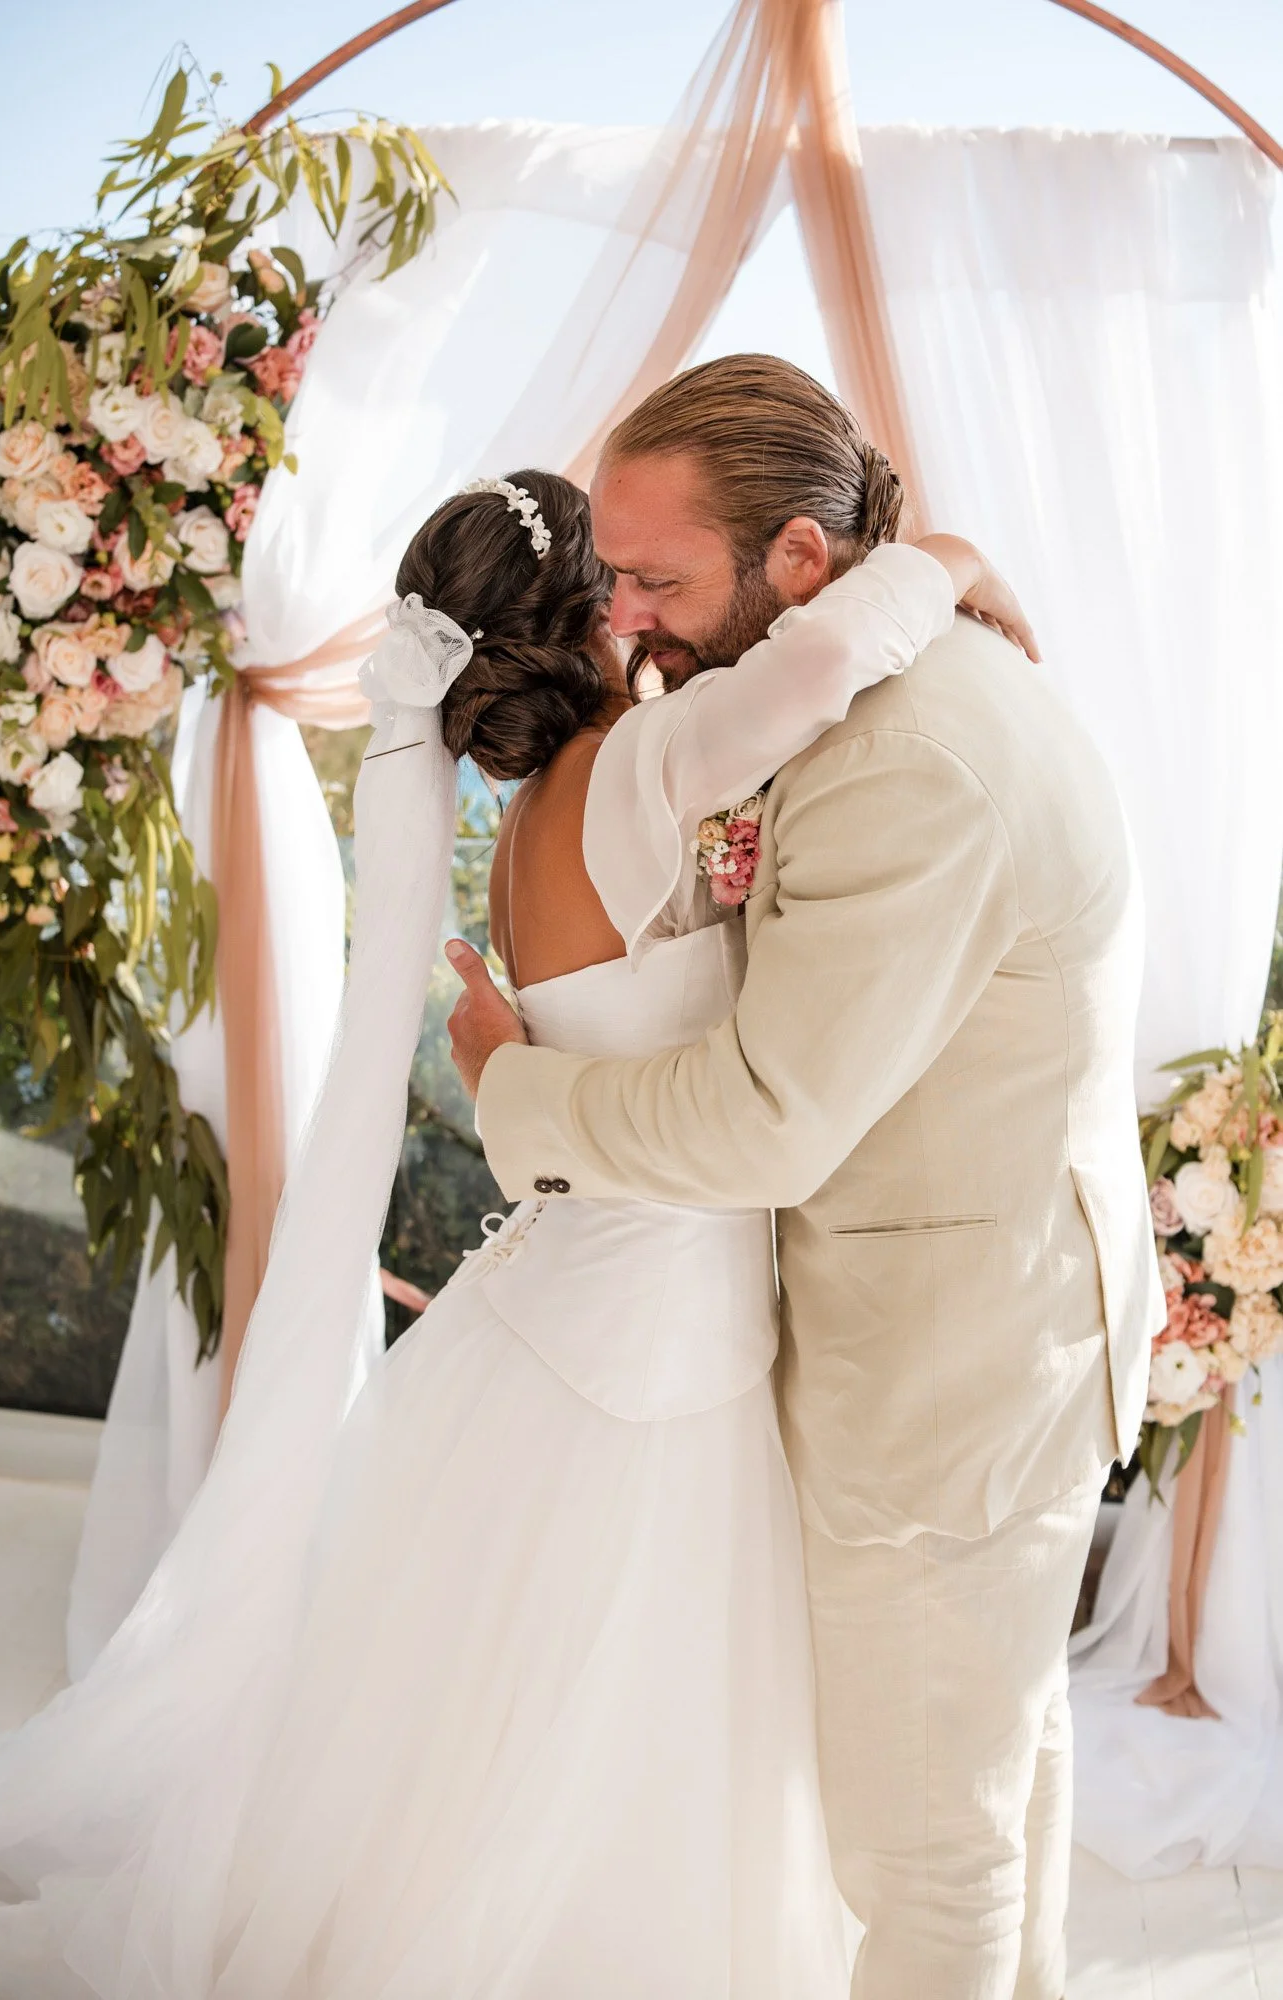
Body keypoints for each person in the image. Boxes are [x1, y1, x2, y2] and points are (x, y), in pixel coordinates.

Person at [0, 441, 1026, 1997]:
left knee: (462, 1727)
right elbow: (843, 652)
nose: (656, 612)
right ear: (589, 614)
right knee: (612, 1735)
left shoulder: (524, 828)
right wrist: (965, 560)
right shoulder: (649, 771)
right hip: (658, 1352)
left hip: (564, 1306)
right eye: (635, 582)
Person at [447, 356, 1165, 2000]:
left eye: (652, 576)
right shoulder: (884, 686)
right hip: (993, 1334)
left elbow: (772, 1117)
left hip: (951, 1378)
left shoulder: (906, 759)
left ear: (794, 560)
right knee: (993, 1786)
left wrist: (518, 1093)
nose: (618, 616)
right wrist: (953, 562)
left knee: (921, 1858)